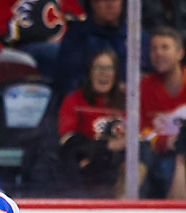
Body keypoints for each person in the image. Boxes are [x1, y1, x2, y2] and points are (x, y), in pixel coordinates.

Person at [59, 50, 126, 197]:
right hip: (86, 172)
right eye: (98, 67)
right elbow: (67, 140)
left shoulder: (127, 102)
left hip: (119, 169)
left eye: (109, 68)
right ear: (90, 72)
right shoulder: (75, 100)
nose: (104, 73)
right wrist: (106, 146)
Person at [55, 0, 152, 97]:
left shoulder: (138, 36)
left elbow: (150, 76)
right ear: (92, 3)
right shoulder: (76, 36)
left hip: (131, 104)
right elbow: (69, 82)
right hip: (89, 103)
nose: (110, 5)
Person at [140, 27, 186, 198]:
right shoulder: (144, 87)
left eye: (165, 47)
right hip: (158, 156)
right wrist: (166, 141)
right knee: (164, 168)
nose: (158, 53)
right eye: (154, 49)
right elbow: (140, 131)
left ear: (180, 53)